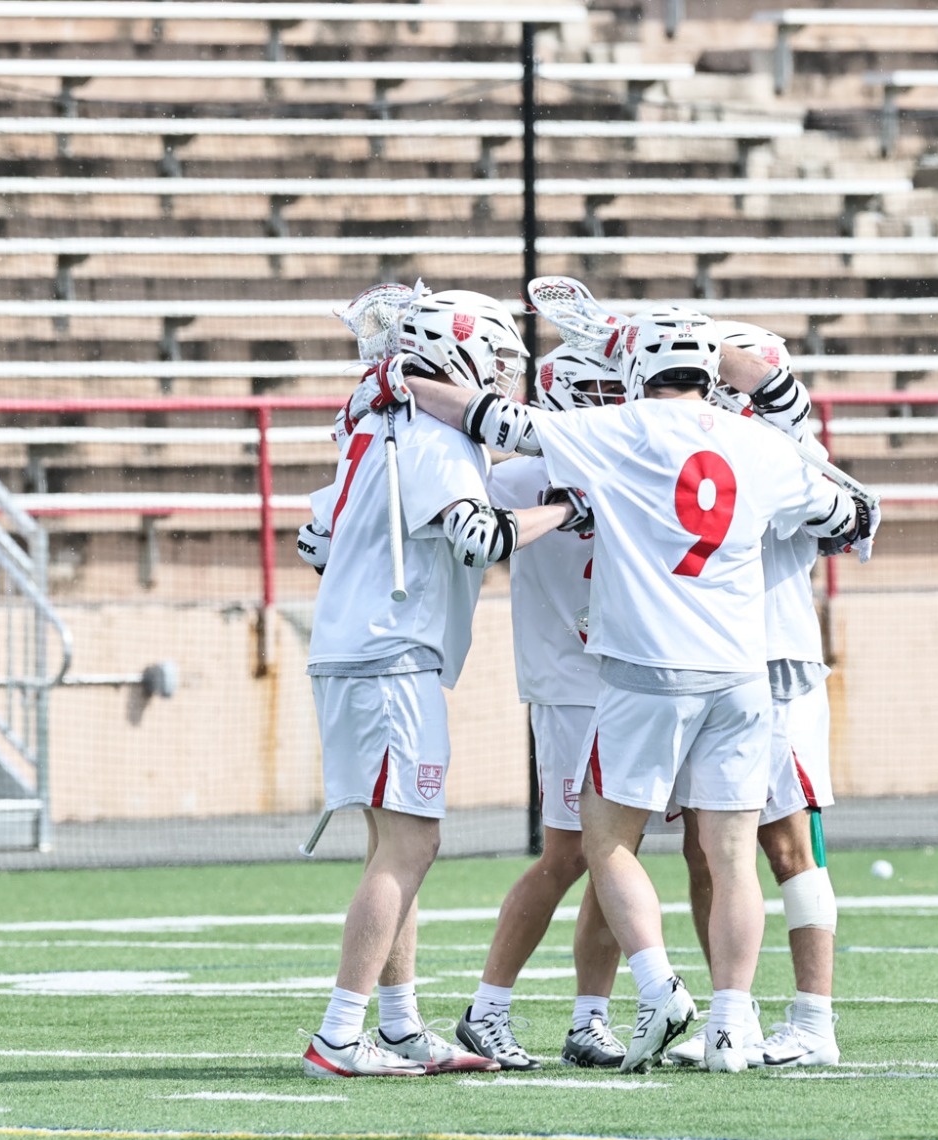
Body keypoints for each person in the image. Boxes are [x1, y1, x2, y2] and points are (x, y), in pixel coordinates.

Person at [359, 307, 874, 1072]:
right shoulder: (761, 446)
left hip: (648, 669)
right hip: (736, 672)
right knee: (725, 853)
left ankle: (663, 987)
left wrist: (402, 381)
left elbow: (493, 419)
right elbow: (850, 514)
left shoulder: (619, 433)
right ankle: (727, 1022)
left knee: (608, 844)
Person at [295, 289, 575, 1078]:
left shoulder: (376, 426)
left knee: (394, 842)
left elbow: (317, 542)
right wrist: (564, 509)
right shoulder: (434, 437)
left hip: (359, 651)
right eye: (494, 357)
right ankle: (338, 1035)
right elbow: (478, 537)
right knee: (413, 842)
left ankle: (398, 1023)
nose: (501, 373)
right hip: (389, 657)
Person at [665, 322, 854, 1069]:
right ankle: (732, 1015)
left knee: (788, 845)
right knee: (705, 849)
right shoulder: (718, 447)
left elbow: (848, 518)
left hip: (775, 661)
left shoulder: (787, 450)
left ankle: (813, 1019)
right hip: (709, 660)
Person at [455, 348, 630, 1072]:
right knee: (569, 855)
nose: (614, 400)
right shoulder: (520, 476)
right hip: (568, 683)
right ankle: (487, 1008)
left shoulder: (632, 457)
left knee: (620, 854)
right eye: (598, 388)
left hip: (633, 678)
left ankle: (591, 1019)